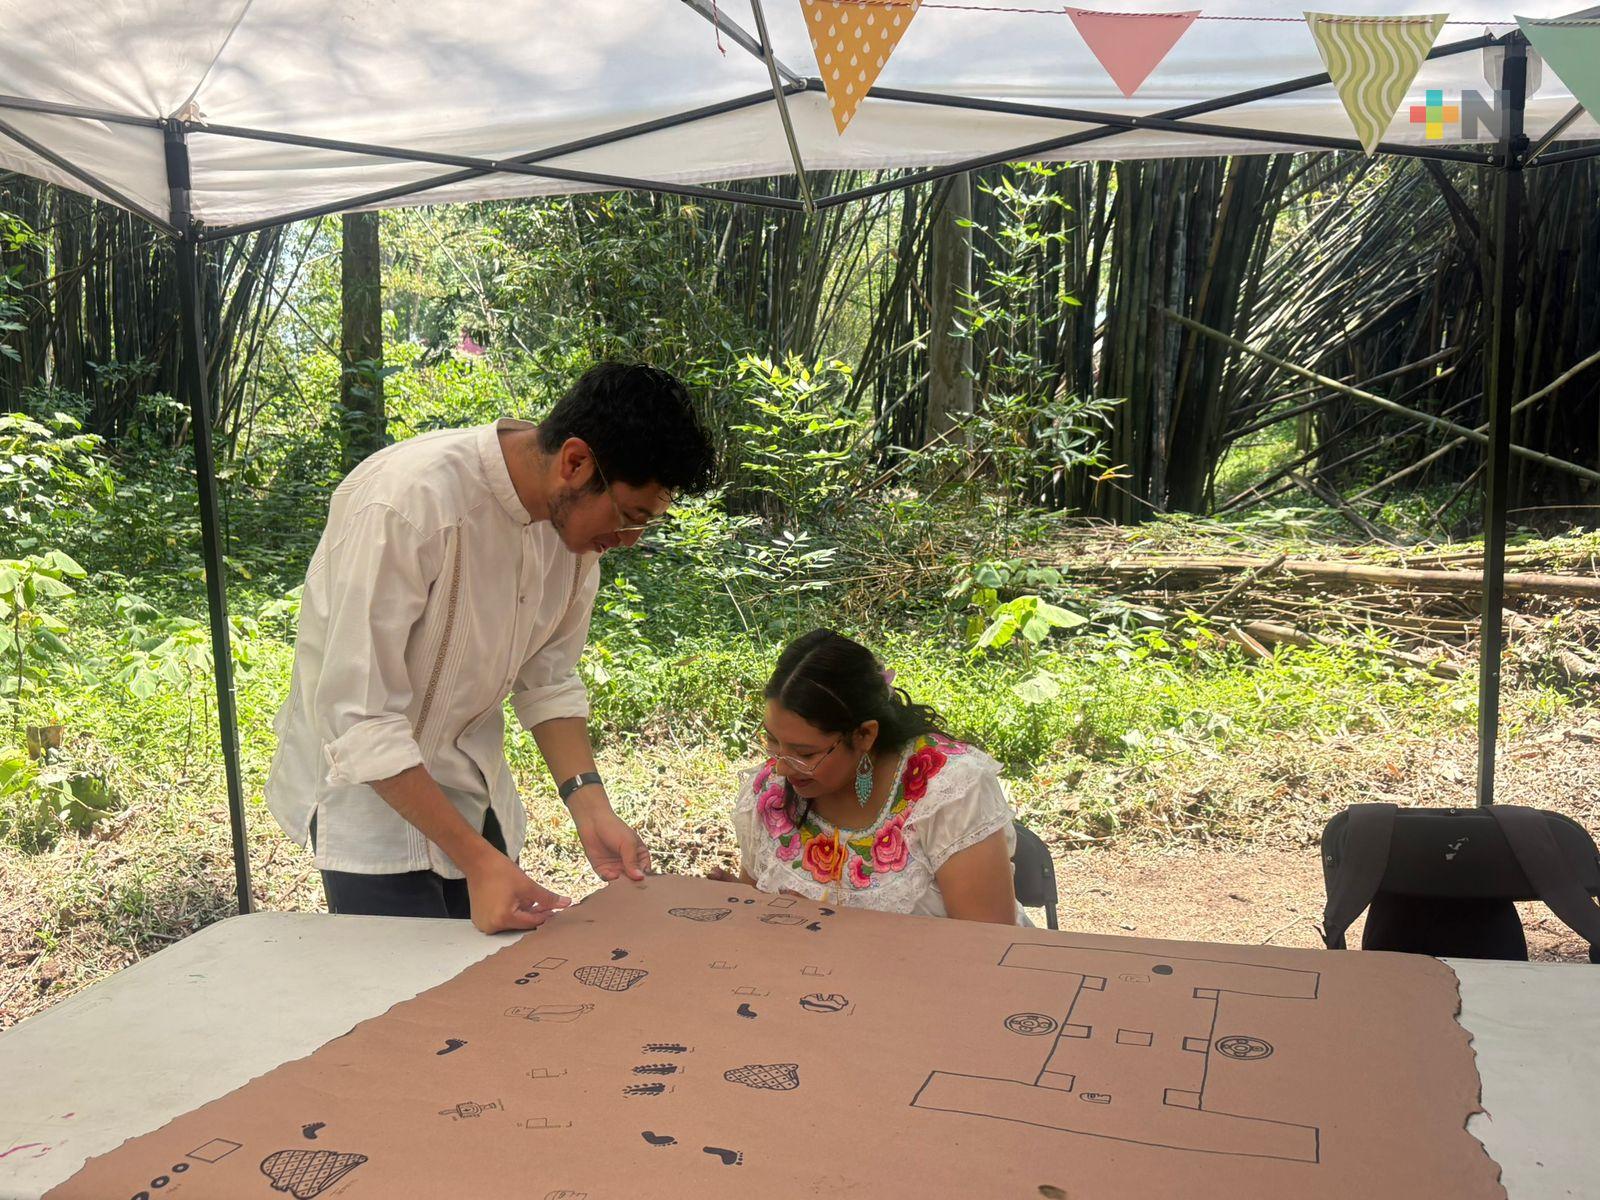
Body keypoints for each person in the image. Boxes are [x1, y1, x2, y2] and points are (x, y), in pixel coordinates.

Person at [266, 362, 716, 933]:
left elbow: (548, 679)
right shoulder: (408, 504)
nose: (628, 540)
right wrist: (482, 863)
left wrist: (590, 807)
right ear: (575, 463)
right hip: (369, 807)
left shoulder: (574, 540)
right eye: (629, 516)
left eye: (647, 524)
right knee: (407, 1002)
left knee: (485, 987)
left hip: (477, 791)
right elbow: (358, 718)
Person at [724, 630, 1025, 924]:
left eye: (805, 754)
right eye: (773, 740)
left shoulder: (949, 790)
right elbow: (760, 913)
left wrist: (830, 932)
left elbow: (988, 946)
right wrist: (742, 904)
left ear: (865, 734)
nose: (781, 768)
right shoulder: (772, 792)